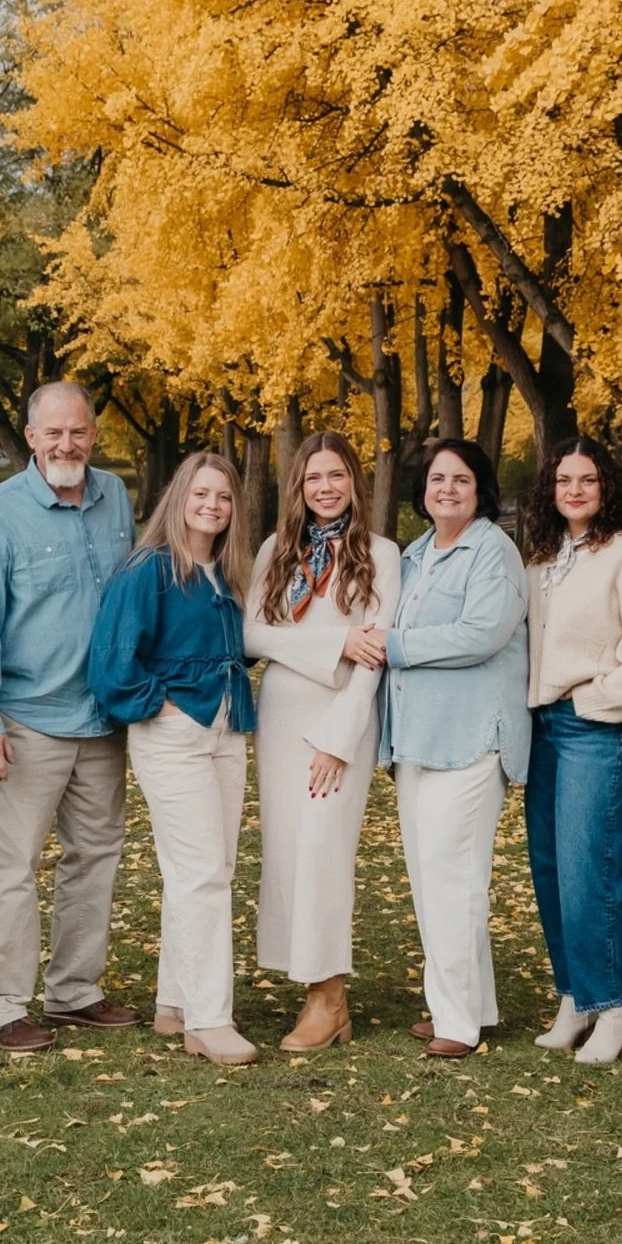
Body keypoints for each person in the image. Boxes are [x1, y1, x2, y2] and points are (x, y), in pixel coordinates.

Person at [0, 381, 139, 1053]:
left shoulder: (114, 497)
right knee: (13, 864)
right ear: (30, 437)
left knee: (95, 857)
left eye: (78, 432)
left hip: (103, 718)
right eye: (54, 433)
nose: (68, 444)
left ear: (92, 435)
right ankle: (2, 1006)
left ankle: (74, 992)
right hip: (26, 719)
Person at [89, 452, 258, 1066]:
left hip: (227, 728)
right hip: (174, 733)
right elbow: (110, 662)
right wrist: (159, 705)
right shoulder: (150, 569)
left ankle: (176, 1002)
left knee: (215, 867)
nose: (212, 506)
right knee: (200, 873)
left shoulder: (225, 572)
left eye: (224, 497)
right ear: (180, 497)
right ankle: (210, 1021)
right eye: (201, 494)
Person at [524, 436, 622, 1066]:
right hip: (546, 725)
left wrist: (600, 701)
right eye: (564, 481)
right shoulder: (543, 556)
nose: (575, 490)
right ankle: (576, 996)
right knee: (552, 866)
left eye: (587, 480)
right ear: (551, 489)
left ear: (606, 487)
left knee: (591, 866)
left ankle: (613, 1005)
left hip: (599, 725)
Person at [245, 432, 401, 1052]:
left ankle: (328, 999)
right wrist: (333, 641)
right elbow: (251, 635)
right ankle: (309, 981)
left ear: (354, 482)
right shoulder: (275, 550)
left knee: (324, 850)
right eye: (314, 478)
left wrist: (340, 736)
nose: (326, 488)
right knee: (287, 851)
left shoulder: (382, 554)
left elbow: (377, 654)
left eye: (336, 475)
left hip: (340, 718)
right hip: (281, 715)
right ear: (298, 487)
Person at [375, 438, 529, 1060]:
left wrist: (394, 645)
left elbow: (481, 634)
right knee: (429, 878)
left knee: (454, 879)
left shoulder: (493, 550)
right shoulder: (415, 554)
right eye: (438, 479)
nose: (447, 489)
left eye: (461, 480)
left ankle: (458, 1024)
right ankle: (467, 1005)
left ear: (479, 489)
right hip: (418, 740)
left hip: (470, 738)